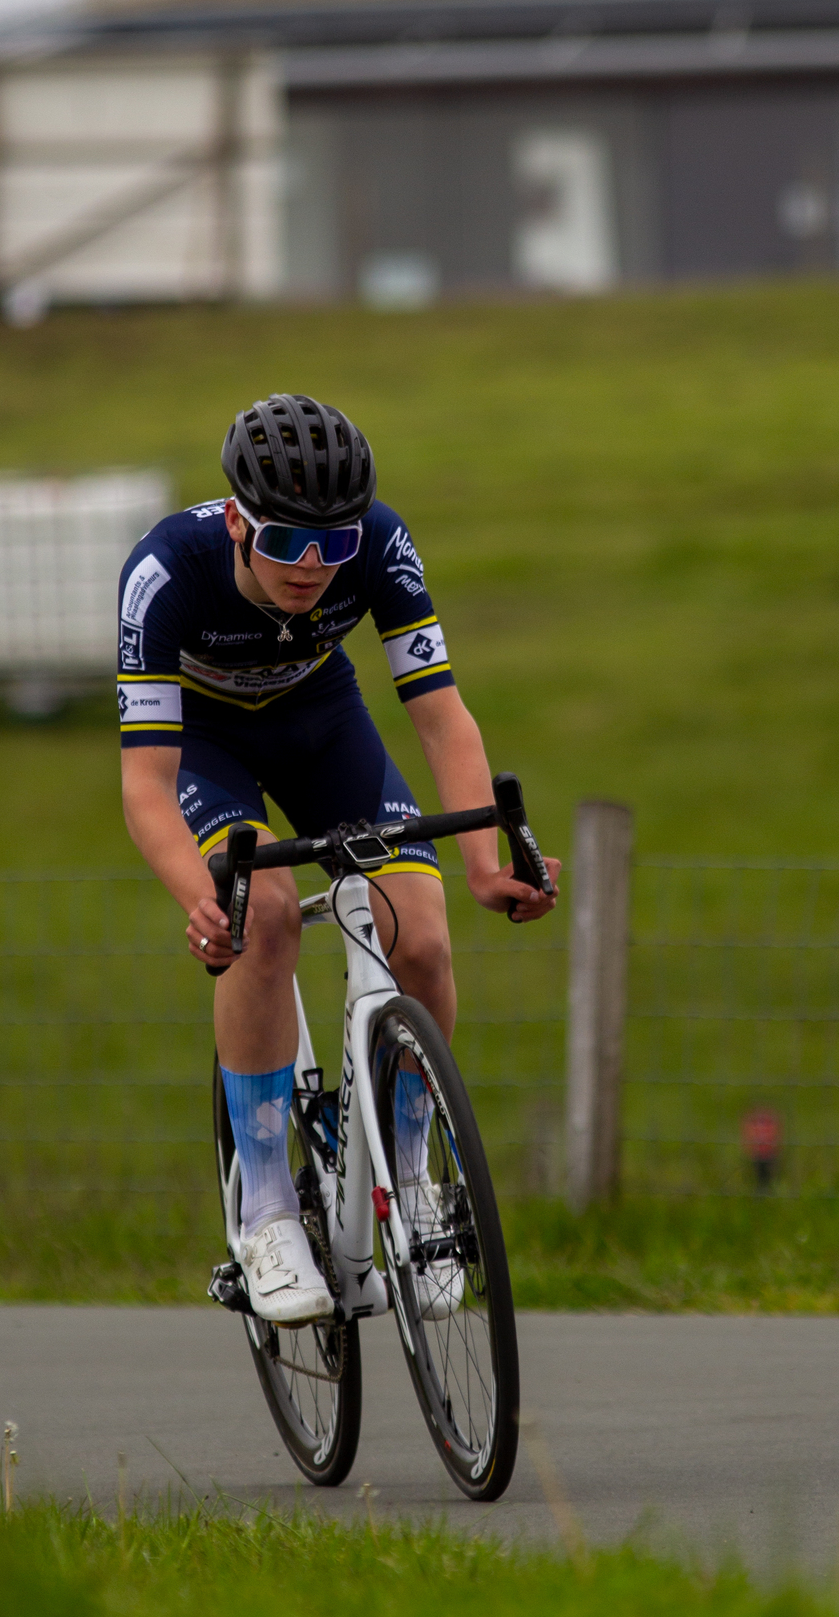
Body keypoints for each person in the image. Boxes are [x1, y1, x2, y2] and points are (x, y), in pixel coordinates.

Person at [119, 391, 559, 1326]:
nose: (312, 568)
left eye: (334, 545)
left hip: (322, 724)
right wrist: (205, 902)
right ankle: (270, 1207)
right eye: (285, 545)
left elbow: (439, 711)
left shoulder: (383, 542)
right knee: (266, 916)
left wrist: (485, 862)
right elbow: (145, 785)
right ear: (237, 521)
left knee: (426, 942)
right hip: (208, 747)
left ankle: (411, 1171)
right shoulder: (165, 571)